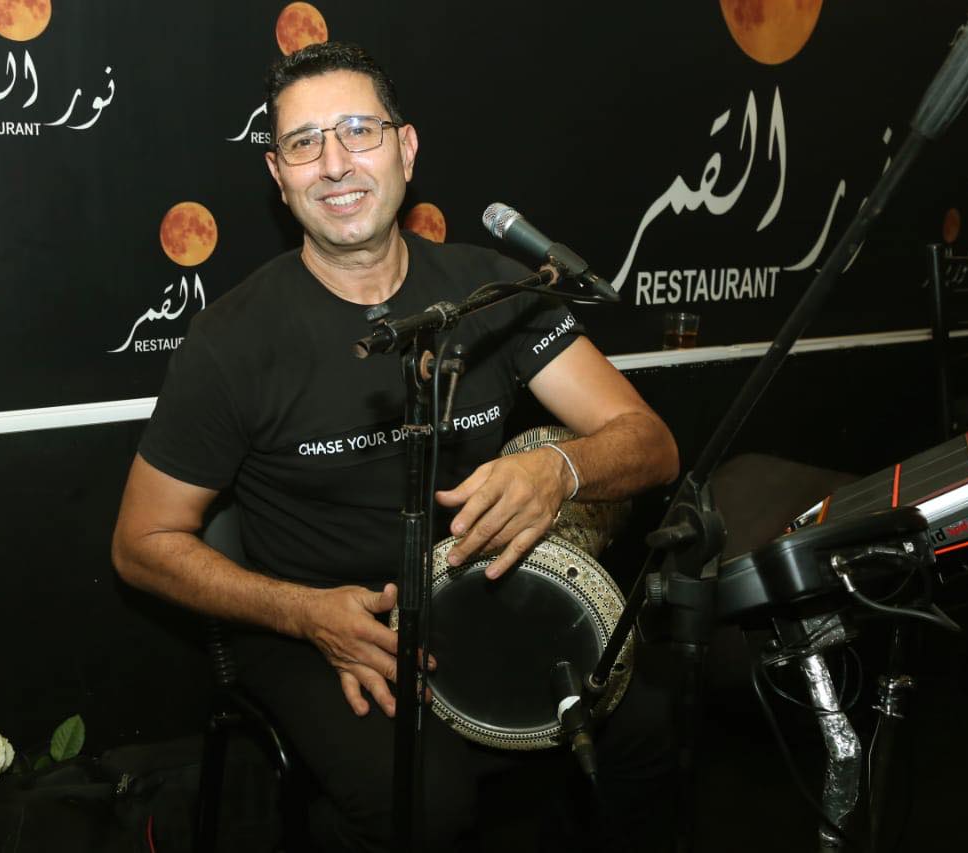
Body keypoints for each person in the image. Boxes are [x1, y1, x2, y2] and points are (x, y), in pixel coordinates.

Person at [111, 41, 680, 852]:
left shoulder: (491, 290)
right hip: (323, 629)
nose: (334, 163)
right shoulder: (231, 340)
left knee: (643, 728)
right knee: (424, 802)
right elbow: (140, 543)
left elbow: (651, 442)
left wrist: (560, 468)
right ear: (279, 176)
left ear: (406, 150)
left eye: (359, 131)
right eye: (304, 143)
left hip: (477, 600)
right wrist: (305, 613)